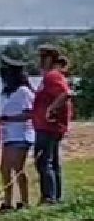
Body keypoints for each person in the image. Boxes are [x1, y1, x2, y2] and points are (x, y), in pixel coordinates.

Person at [32, 45, 74, 205]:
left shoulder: (52, 76)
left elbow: (66, 94)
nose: (40, 62)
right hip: (46, 126)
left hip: (48, 126)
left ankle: (49, 197)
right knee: (52, 161)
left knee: (44, 161)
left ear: (49, 59)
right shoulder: (50, 77)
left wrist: (50, 110)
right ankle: (54, 196)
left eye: (42, 58)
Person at [0, 58, 36, 211]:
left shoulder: (23, 92)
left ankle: (24, 202)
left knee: (18, 168)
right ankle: (7, 202)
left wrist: (6, 118)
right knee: (4, 168)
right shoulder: (9, 93)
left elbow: (29, 114)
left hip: (21, 135)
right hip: (9, 135)